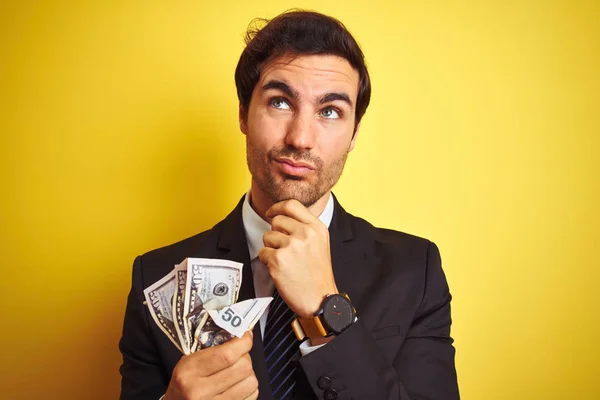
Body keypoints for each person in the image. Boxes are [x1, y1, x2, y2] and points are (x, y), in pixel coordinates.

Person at [119, 10, 459, 400]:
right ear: (244, 113)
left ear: (353, 135)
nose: (300, 138)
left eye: (330, 111)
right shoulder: (155, 276)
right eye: (280, 102)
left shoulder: (414, 271)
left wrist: (325, 308)